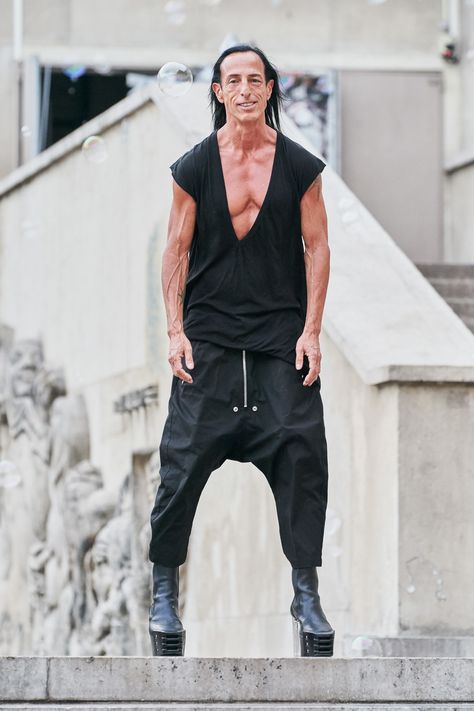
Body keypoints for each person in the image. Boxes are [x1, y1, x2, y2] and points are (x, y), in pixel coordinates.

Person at [148, 44, 334, 658]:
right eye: (234, 80)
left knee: (303, 457)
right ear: (219, 91)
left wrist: (312, 331)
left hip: (280, 342)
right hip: (210, 342)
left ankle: (306, 595)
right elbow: (176, 250)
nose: (246, 89)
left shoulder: (299, 165)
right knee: (179, 465)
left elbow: (317, 247)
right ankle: (164, 595)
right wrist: (175, 331)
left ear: (270, 87)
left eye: (256, 79)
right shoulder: (195, 167)